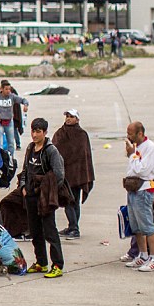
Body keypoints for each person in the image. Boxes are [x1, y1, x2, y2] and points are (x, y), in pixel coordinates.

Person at [17, 118, 65, 278]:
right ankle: (41, 262)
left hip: (44, 198)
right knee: (35, 231)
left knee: (50, 231)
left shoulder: (51, 151)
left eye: (38, 131)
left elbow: (59, 175)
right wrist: (23, 187)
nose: (35, 134)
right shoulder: (30, 148)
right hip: (30, 196)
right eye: (33, 131)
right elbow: (24, 170)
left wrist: (46, 189)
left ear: (45, 132)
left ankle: (57, 264)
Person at [123, 121, 154, 272]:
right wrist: (131, 153)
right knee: (136, 226)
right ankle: (143, 255)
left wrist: (132, 154)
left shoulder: (150, 148)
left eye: (130, 133)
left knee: (147, 225)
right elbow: (132, 168)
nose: (128, 136)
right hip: (133, 190)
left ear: (140, 133)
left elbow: (142, 170)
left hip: (144, 190)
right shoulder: (136, 147)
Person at [52, 109, 95, 240]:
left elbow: (84, 155)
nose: (68, 119)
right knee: (70, 202)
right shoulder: (61, 133)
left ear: (77, 119)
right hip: (65, 175)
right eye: (67, 116)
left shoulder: (82, 135)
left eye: (71, 116)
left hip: (76, 175)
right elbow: (55, 150)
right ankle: (72, 226)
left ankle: (74, 228)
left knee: (72, 202)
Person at [0, 81, 17, 154]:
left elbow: (22, 100)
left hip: (9, 122)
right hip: (0, 122)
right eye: (6, 89)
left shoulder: (12, 96)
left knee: (11, 143)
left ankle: (11, 159)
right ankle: (0, 160)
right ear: (2, 89)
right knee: (0, 144)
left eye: (9, 89)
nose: (8, 91)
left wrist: (26, 104)